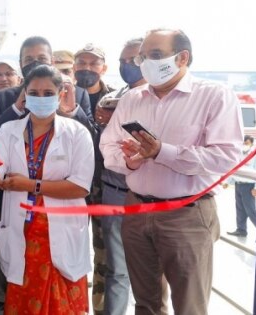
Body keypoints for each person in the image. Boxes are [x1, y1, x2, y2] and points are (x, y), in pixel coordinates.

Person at [100, 28, 243, 315]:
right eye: (143, 56)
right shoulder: (132, 99)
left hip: (186, 215)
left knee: (189, 305)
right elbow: (109, 147)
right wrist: (131, 160)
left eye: (155, 55)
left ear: (182, 58)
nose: (145, 63)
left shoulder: (214, 96)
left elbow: (225, 157)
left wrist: (162, 152)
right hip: (137, 208)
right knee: (145, 304)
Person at [0, 36, 95, 315]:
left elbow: (80, 187)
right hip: (23, 230)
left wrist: (30, 184)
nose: (41, 99)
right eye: (35, 93)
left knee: (62, 304)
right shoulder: (8, 131)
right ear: (25, 94)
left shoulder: (77, 133)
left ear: (60, 95)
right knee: (23, 299)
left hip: (60, 230)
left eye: (48, 94)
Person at [95, 37, 168, 315]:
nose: (129, 66)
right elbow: (107, 146)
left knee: (153, 275)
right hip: (116, 191)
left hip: (156, 199)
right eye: (123, 61)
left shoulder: (161, 96)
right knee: (117, 270)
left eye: (134, 60)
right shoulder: (117, 96)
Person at [73, 43, 115, 315]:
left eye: (93, 63)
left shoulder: (115, 98)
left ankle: (100, 309)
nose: (87, 68)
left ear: (103, 68)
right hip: (71, 186)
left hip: (105, 184)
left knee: (105, 255)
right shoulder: (64, 93)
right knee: (70, 248)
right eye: (82, 63)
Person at [227, 135, 256, 237]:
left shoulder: (255, 156)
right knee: (240, 209)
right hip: (238, 185)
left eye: (247, 143)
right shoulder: (238, 155)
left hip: (249, 186)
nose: (244, 145)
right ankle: (241, 230)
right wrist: (228, 182)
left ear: (251, 144)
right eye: (243, 143)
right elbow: (234, 170)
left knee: (251, 211)